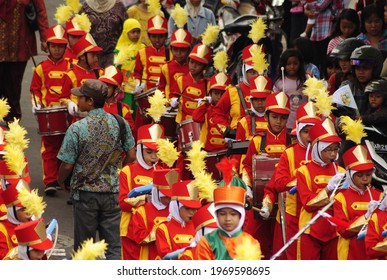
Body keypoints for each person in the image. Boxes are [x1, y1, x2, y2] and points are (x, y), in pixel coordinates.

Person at [57, 79, 136, 260]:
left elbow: (67, 164)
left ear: (90, 101)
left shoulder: (77, 128)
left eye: (81, 98)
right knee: (113, 247)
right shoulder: (120, 122)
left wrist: (61, 180)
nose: (77, 101)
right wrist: (118, 174)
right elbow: (131, 155)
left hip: (85, 194)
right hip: (112, 193)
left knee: (85, 248)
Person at [265, 101, 321, 260]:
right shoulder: (289, 153)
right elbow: (278, 183)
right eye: (306, 132)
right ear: (298, 132)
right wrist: (300, 180)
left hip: (316, 217)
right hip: (291, 215)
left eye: (314, 132)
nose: (310, 136)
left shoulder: (327, 155)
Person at [240, 91, 291, 259]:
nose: (278, 122)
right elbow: (247, 165)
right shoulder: (257, 140)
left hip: (285, 200)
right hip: (259, 198)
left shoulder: (293, 141)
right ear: (267, 116)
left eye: (283, 118)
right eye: (275, 117)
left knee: (281, 242)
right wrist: (247, 186)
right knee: (252, 238)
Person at [29, 24, 71, 196]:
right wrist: (36, 103)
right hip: (49, 114)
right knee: (49, 148)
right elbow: (35, 90)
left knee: (68, 146)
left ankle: (66, 177)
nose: (57, 50)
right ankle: (50, 180)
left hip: (67, 112)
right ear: (48, 46)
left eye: (60, 46)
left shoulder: (71, 66)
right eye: (54, 46)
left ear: (65, 47)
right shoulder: (40, 68)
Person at [296, 118, 345, 259]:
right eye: (328, 150)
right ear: (317, 148)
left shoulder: (340, 171)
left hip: (333, 231)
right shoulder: (303, 171)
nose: (332, 154)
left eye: (335, 150)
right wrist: (328, 189)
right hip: (310, 230)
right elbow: (308, 203)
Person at [118, 123, 164, 259]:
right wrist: (146, 198)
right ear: (139, 150)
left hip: (155, 231)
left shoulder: (163, 172)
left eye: (157, 153)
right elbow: (122, 203)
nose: (154, 157)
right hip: (130, 231)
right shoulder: (127, 171)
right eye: (149, 152)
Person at [0, 0, 49, 122]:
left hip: (20, 44)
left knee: (14, 85)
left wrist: (45, 37)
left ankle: (12, 120)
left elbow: (40, 10)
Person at [334, 144, 383, 259]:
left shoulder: (380, 195)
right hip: (349, 253)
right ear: (350, 176)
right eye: (359, 175)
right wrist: (366, 216)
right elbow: (342, 230)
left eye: (368, 174)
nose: (365, 178)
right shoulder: (341, 197)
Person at [195, 184, 262, 260]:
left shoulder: (251, 243)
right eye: (222, 214)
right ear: (216, 215)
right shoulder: (207, 242)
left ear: (240, 216)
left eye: (233, 214)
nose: (228, 219)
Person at [127, 168, 179, 260]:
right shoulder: (142, 211)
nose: (170, 199)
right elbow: (139, 238)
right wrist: (162, 230)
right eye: (167, 196)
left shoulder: (178, 211)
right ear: (157, 193)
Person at [212, 44, 259, 137]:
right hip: (237, 140)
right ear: (244, 71)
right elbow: (216, 113)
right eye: (252, 72)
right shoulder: (233, 91)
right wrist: (226, 130)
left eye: (258, 71)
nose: (256, 76)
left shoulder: (270, 93)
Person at [133, 14, 169, 128]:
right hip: (146, 97)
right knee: (144, 125)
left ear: (166, 36)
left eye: (161, 36)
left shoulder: (171, 53)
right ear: (149, 36)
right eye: (154, 36)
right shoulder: (142, 52)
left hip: (163, 98)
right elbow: (137, 72)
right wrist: (138, 84)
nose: (157, 40)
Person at [192, 58, 231, 152]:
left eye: (223, 94)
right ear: (210, 94)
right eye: (216, 93)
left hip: (225, 151)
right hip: (207, 151)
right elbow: (196, 117)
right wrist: (205, 102)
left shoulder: (231, 110)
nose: (219, 97)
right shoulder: (207, 108)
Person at [155, 180, 201, 259]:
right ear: (176, 207)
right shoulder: (163, 229)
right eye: (188, 208)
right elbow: (165, 256)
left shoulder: (199, 227)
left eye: (195, 208)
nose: (193, 212)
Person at [61, 33, 103, 117]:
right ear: (83, 57)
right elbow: (62, 98)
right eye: (93, 55)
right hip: (77, 118)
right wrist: (69, 103)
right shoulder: (71, 74)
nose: (96, 59)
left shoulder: (100, 73)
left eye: (96, 55)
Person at [79, 0, 128, 67]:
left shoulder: (119, 6)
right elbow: (79, 34)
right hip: (91, 59)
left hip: (116, 58)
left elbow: (127, 30)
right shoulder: (84, 7)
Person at [159, 6, 192, 100]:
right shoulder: (166, 67)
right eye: (176, 50)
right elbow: (161, 89)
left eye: (183, 50)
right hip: (169, 107)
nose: (179, 53)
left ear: (189, 50)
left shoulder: (193, 68)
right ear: (171, 49)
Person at [114, 18, 146, 114]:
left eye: (138, 32)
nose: (136, 35)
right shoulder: (119, 49)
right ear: (126, 32)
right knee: (127, 110)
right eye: (133, 32)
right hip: (125, 87)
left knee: (139, 112)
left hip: (139, 86)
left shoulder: (143, 48)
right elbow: (116, 69)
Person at [304, 0, 344, 72]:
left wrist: (307, 9)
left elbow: (318, 6)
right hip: (317, 31)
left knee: (325, 62)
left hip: (327, 31)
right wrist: (307, 9)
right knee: (316, 61)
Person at [273, 49, 308, 130]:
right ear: (283, 65)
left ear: (300, 64)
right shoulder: (279, 82)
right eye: (288, 64)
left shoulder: (306, 80)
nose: (292, 67)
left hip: (303, 120)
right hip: (287, 122)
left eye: (295, 64)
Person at [99, 65, 136, 137]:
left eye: (108, 87)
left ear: (116, 90)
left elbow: (131, 131)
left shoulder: (123, 109)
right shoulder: (94, 104)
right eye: (102, 85)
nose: (104, 89)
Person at [0, 179, 32, 259]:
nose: (29, 213)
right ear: (12, 210)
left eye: (31, 207)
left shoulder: (33, 222)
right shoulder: (2, 228)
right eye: (23, 209)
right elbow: (3, 256)